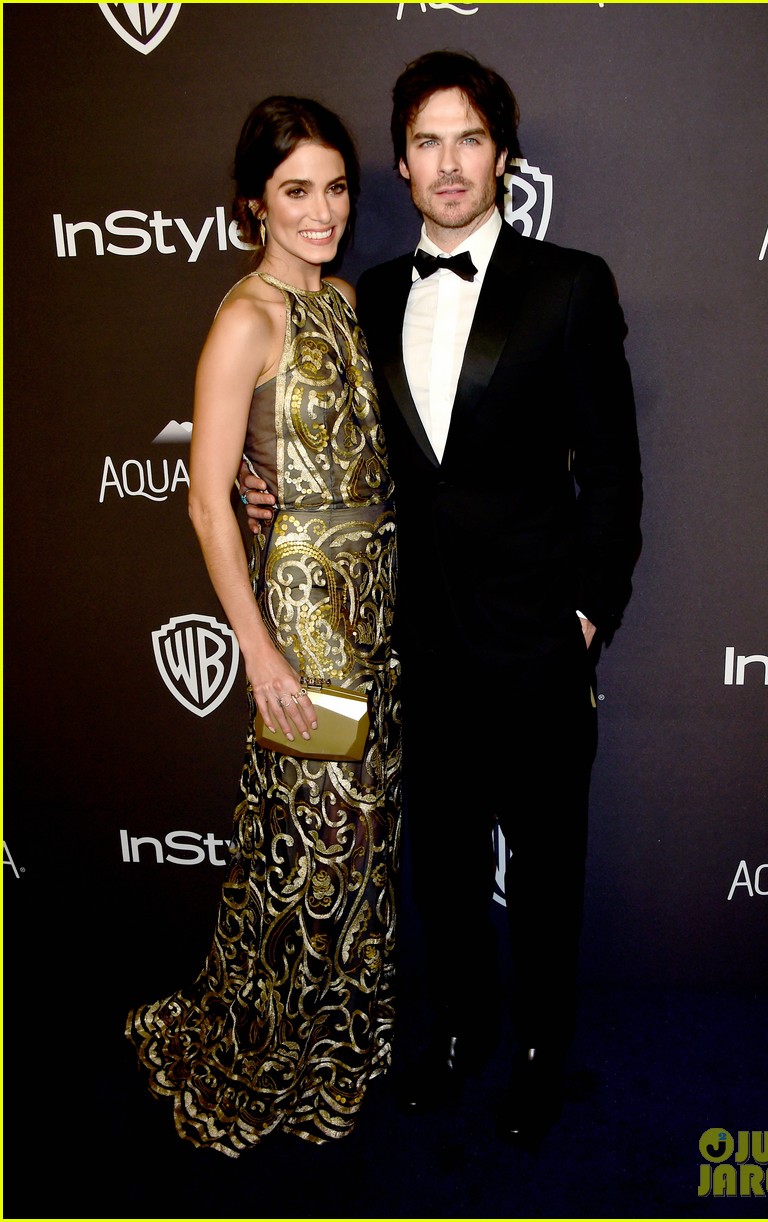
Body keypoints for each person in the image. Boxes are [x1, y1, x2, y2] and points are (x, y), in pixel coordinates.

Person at [241, 49, 642, 1147]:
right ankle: (461, 1033)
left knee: (547, 871)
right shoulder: (365, 297)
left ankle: (539, 1053)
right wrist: (258, 479)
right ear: (403, 165)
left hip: (537, 641)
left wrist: (586, 612)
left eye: (470, 138)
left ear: (503, 156)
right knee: (445, 867)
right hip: (414, 643)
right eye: (428, 141)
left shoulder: (570, 283)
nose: (450, 163)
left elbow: (612, 468)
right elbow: (321, 439)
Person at [126, 95, 402, 1156]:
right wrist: (258, 649)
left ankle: (336, 1044)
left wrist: (267, 487)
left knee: (359, 843)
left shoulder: (343, 300)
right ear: (254, 202)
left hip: (374, 605)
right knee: (317, 839)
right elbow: (207, 501)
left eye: (336, 189)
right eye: (296, 191)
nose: (322, 212)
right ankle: (269, 1047)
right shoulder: (245, 319)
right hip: (305, 620)